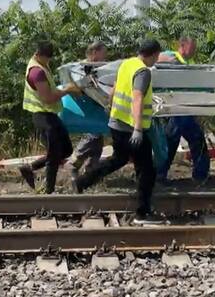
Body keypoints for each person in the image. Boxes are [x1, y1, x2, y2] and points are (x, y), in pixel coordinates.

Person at [74, 38, 163, 224]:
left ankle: (83, 181)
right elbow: (137, 98)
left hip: (117, 123)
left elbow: (115, 87)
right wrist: (138, 129)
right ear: (154, 54)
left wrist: (110, 104)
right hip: (131, 128)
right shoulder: (143, 71)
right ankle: (143, 213)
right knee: (147, 169)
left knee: (119, 159)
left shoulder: (127, 64)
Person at [19, 41, 80, 193]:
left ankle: (30, 168)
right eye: (47, 58)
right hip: (42, 116)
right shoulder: (36, 72)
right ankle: (49, 192)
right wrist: (68, 90)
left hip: (49, 114)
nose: (48, 62)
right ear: (38, 55)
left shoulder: (42, 66)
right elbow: (48, 98)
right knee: (54, 156)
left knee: (65, 150)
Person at [156, 36, 210, 185]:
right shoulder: (172, 55)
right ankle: (200, 175)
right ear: (182, 45)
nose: (194, 50)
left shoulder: (190, 63)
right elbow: (158, 58)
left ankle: (161, 174)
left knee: (180, 140)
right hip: (176, 107)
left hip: (185, 107)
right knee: (184, 140)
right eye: (192, 47)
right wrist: (170, 62)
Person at [68, 41, 109, 175]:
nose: (105, 56)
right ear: (94, 53)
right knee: (93, 135)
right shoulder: (80, 68)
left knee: (97, 139)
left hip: (96, 107)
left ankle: (91, 169)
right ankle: (74, 164)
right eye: (103, 53)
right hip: (86, 107)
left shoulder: (97, 68)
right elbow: (82, 84)